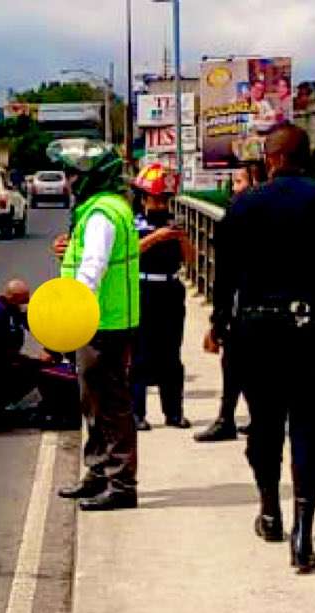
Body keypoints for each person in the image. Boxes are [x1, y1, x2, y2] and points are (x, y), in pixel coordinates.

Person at [207, 123, 315, 572]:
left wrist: (219, 324)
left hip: (256, 331)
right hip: (313, 329)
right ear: (306, 157)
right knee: (310, 428)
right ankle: (303, 532)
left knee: (265, 424)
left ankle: (270, 511)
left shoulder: (244, 205)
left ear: (271, 159)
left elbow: (224, 275)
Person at [49, 138, 141, 511]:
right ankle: (99, 471)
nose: (68, 181)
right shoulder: (102, 209)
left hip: (101, 322)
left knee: (109, 404)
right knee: (93, 400)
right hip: (101, 319)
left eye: (73, 174)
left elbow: (93, 267)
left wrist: (73, 310)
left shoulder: (102, 214)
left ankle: (120, 484)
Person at [195, 161, 265, 442]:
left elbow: (225, 272)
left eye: (239, 182)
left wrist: (218, 320)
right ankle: (251, 418)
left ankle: (229, 419)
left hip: (247, 305)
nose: (233, 189)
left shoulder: (239, 214)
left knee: (237, 360)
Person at [129, 163, 192, 431]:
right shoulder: (133, 223)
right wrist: (155, 238)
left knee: (171, 355)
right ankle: (137, 413)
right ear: (144, 199)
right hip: (144, 289)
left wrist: (182, 238)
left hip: (170, 289)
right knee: (140, 354)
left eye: (164, 200)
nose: (160, 205)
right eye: (156, 199)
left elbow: (190, 260)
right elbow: (128, 253)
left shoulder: (174, 222)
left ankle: (174, 412)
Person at [0, 279, 78, 428]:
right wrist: (32, 361)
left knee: (37, 366)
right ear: (14, 298)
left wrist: (52, 346)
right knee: (35, 371)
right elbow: (1, 353)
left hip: (2, 361)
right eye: (25, 299)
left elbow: (35, 325)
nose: (28, 302)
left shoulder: (11, 310)